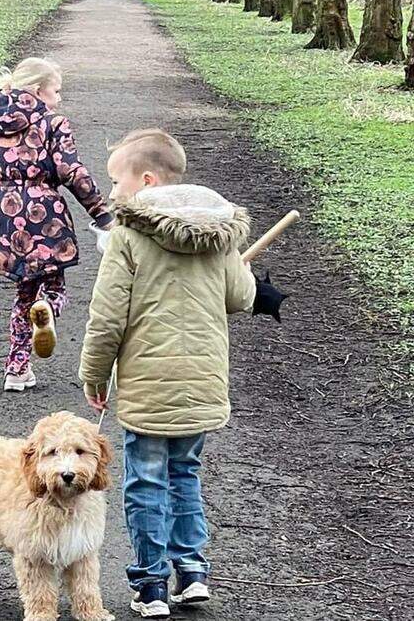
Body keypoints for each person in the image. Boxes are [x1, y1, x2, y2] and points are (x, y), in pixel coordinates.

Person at [79, 128, 256, 618]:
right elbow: (241, 297)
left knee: (146, 482)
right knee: (185, 475)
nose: (112, 191)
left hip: (147, 386)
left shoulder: (129, 236)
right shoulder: (218, 234)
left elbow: (107, 317)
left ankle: (152, 585)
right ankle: (193, 573)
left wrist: (94, 374)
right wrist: (231, 266)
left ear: (147, 181)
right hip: (202, 383)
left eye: (116, 180)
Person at [0, 58, 113, 392]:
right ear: (37, 90)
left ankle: (16, 369)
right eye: (56, 91)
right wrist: (101, 214)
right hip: (44, 214)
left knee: (23, 293)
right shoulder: (52, 123)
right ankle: (49, 304)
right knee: (52, 286)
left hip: (2, 219)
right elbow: (71, 171)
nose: (59, 98)